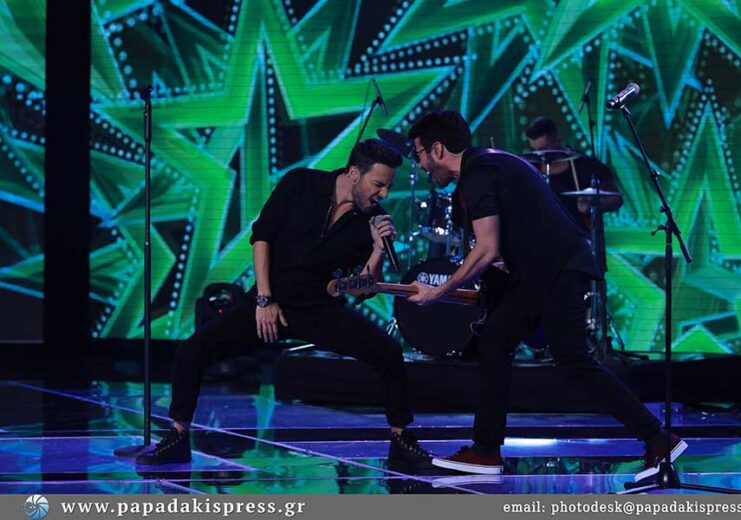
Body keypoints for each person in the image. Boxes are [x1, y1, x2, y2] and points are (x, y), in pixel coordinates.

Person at [406, 110, 686, 481]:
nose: (421, 165)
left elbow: (487, 249)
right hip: (543, 272)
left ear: (438, 149)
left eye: (420, 154)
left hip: (557, 271)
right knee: (495, 340)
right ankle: (486, 451)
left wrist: (438, 291)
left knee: (572, 360)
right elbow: (510, 241)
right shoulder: (490, 166)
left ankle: (658, 438)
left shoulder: (478, 174)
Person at [135, 139, 430, 467]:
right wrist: (264, 299)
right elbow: (262, 236)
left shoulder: (373, 219)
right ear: (353, 173)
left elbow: (361, 290)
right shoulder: (301, 183)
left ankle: (401, 441)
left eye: (388, 187)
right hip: (270, 299)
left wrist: (376, 250)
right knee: (192, 351)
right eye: (378, 184)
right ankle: (178, 437)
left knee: (387, 352)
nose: (384, 194)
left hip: (319, 308)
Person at [525, 116, 622, 233]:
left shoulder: (586, 166)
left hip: (580, 237)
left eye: (544, 149)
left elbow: (615, 199)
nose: (540, 155)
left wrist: (592, 206)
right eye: (535, 150)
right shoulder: (531, 168)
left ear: (558, 140)